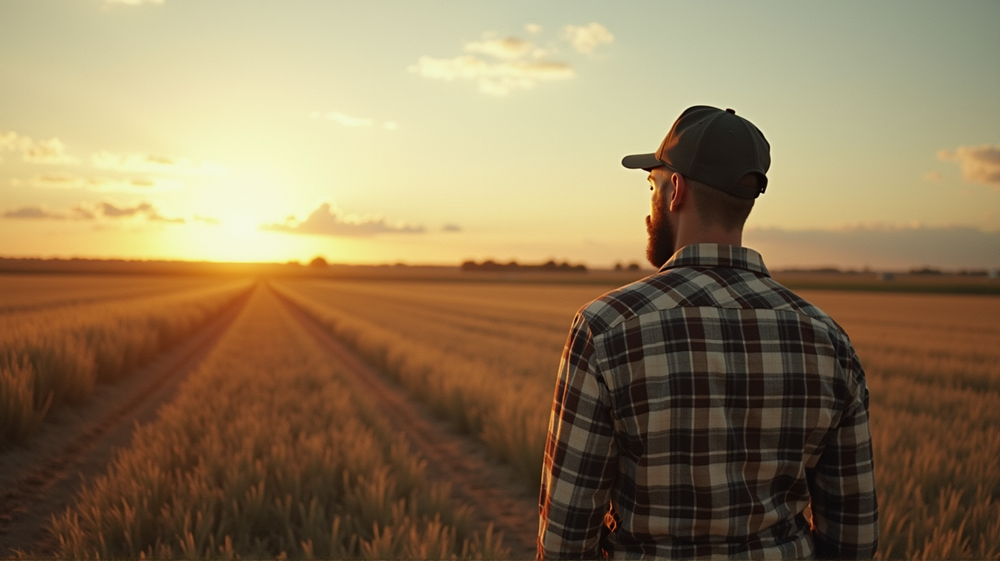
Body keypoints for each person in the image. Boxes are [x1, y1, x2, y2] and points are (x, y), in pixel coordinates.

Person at [537, 106, 878, 559]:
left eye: (651, 184)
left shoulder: (606, 327)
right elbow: (854, 539)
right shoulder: (828, 340)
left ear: (675, 190)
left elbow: (566, 541)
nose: (650, 202)